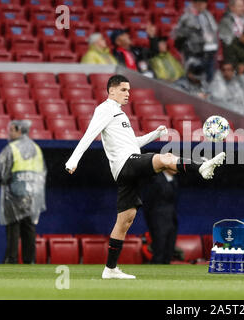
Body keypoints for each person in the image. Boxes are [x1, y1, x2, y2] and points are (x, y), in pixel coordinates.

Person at [65, 75, 226, 279]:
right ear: (111, 91)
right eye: (123, 90)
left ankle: (110, 269)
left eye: (129, 90)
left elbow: (133, 143)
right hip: (126, 163)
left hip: (127, 165)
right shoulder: (105, 109)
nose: (128, 94)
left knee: (125, 220)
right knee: (165, 158)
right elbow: (89, 134)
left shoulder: (119, 114)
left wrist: (154, 135)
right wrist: (73, 160)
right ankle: (201, 166)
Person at [0, 120, 47, 264]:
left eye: (11, 130)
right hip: (33, 195)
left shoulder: (11, 148)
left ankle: (11, 260)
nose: (9, 133)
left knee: (13, 229)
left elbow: (0, 171)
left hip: (14, 194)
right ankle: (29, 261)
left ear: (19, 130)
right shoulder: (36, 148)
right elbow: (42, 173)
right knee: (29, 230)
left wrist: (3, 183)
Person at [173, 0, 218, 82]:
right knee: (193, 78)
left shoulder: (208, 15)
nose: (202, 5)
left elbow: (214, 31)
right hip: (193, 53)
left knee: (209, 78)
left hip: (209, 52)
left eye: (204, 3)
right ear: (194, 3)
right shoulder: (186, 17)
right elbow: (178, 35)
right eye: (200, 3)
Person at [141, 169, 179, 264]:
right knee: (159, 251)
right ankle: (154, 275)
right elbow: (148, 202)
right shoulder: (155, 180)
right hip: (158, 221)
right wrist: (151, 222)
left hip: (171, 220)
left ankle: (167, 276)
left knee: (169, 251)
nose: (176, 167)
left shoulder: (173, 180)